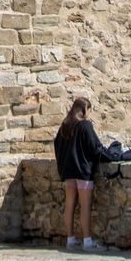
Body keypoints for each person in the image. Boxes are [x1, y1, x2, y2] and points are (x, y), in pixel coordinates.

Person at [52, 97, 110, 252]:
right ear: (84, 110)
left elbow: (57, 145)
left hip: (68, 171)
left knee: (70, 205)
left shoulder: (65, 126)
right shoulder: (85, 126)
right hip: (83, 170)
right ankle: (87, 240)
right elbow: (94, 148)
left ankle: (70, 239)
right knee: (85, 206)